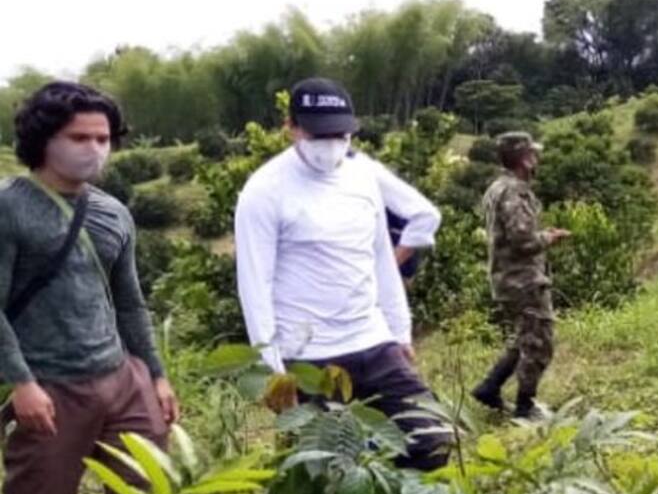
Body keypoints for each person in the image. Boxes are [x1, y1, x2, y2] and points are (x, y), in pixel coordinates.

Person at [234, 77, 449, 471]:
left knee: (431, 441)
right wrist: (273, 369)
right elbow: (254, 283)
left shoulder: (362, 175)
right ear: (292, 128)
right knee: (322, 469)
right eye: (320, 134)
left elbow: (381, 256)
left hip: (373, 340)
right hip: (308, 356)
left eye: (341, 133)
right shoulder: (264, 190)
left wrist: (400, 331)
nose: (332, 143)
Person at [0, 82, 179, 494]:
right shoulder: (11, 208)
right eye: (80, 138)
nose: (95, 150)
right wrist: (22, 383)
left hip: (124, 379)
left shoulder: (114, 213)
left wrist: (156, 374)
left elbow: (130, 303)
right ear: (44, 140)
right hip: (52, 387)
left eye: (103, 139)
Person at [472, 132, 570, 419]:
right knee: (540, 344)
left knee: (524, 338)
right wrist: (549, 238)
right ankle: (526, 407)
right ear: (525, 159)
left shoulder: (497, 188)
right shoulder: (514, 191)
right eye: (533, 154)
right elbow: (522, 240)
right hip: (522, 279)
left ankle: (489, 387)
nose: (537, 159)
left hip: (508, 277)